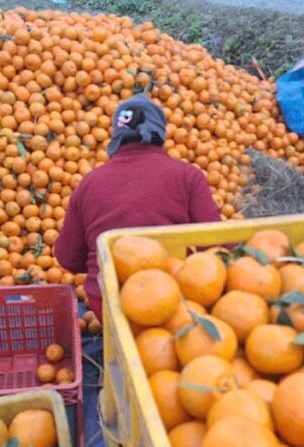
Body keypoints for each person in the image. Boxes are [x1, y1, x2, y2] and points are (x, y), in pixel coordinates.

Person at [54, 95, 221, 318]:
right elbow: (217, 244)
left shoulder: (89, 183)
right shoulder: (187, 175)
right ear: (160, 135)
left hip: (106, 302)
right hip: (172, 297)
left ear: (116, 137)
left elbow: (68, 258)